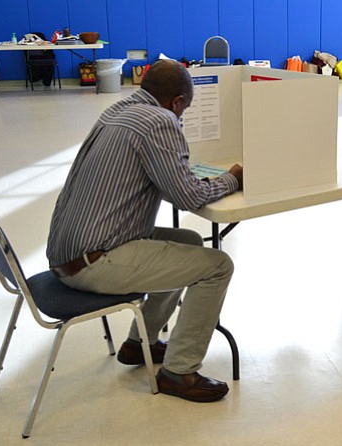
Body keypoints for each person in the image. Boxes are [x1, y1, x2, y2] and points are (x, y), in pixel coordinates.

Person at [46, 59, 243, 403]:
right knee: (217, 266)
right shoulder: (160, 122)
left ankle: (140, 343)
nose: (181, 119)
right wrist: (233, 178)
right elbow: (189, 196)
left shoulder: (118, 110)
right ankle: (179, 372)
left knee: (191, 242)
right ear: (178, 102)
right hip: (95, 261)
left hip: (68, 252)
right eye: (184, 111)